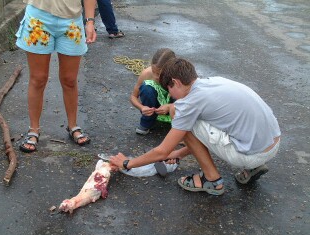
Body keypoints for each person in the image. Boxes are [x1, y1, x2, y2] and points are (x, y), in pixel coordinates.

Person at [110, 58, 281, 196]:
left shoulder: (188, 104)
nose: (169, 95)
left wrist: (127, 163)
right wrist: (177, 153)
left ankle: (211, 180)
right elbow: (209, 133)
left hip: (252, 154)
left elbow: (162, 151)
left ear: (176, 82)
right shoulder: (213, 81)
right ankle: (253, 167)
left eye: (169, 89)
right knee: (198, 120)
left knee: (178, 114)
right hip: (272, 143)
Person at [16, 0, 97, 153]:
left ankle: (73, 126)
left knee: (70, 79)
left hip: (72, 20)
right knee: (38, 78)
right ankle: (33, 130)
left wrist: (90, 21)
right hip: (39, 18)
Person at [130, 48, 176, 135]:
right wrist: (142, 107)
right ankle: (147, 122)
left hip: (175, 107)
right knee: (146, 87)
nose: (155, 76)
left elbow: (190, 101)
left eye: (159, 74)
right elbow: (133, 96)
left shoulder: (179, 75)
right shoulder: (146, 73)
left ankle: (179, 126)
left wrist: (170, 106)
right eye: (154, 72)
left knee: (179, 92)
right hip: (155, 109)